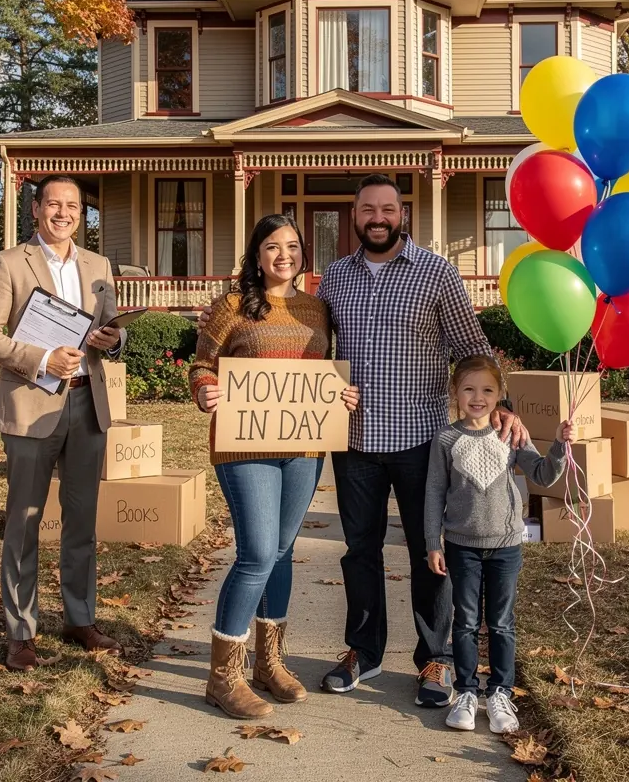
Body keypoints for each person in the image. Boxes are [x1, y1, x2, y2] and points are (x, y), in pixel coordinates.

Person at [315, 174, 529, 707]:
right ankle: (362, 651)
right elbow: (319, 353)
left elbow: (471, 346)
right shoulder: (335, 279)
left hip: (422, 442)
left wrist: (505, 406)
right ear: (355, 214)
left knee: (429, 553)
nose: (378, 217)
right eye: (368, 209)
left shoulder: (437, 273)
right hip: (355, 441)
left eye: (388, 208)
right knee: (359, 551)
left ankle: (434, 659)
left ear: (402, 214)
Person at [189, 213, 360, 720]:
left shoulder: (317, 308)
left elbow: (324, 371)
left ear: (303, 251)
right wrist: (205, 390)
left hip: (305, 448)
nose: (283, 255)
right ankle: (224, 677)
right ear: (256, 255)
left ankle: (269, 662)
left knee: (283, 552)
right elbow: (203, 364)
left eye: (292, 246)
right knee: (258, 553)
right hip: (245, 448)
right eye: (272, 247)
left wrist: (340, 395)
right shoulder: (231, 307)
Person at [0, 175, 125, 672]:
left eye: (73, 206)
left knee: (81, 520)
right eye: (54, 204)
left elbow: (114, 328)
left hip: (87, 406)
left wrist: (112, 340)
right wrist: (39, 358)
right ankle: (20, 631)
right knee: (25, 521)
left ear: (83, 213)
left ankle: (79, 618)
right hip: (33, 404)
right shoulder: (9, 263)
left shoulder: (97, 265)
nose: (63, 213)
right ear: (35, 209)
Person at [424, 355, 570, 733]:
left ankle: (501, 692)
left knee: (502, 623)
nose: (478, 397)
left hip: (505, 545)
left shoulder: (510, 434)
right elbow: (435, 491)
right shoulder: (446, 438)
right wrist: (432, 542)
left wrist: (557, 445)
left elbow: (543, 474)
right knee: (467, 621)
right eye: (469, 389)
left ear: (500, 395)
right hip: (461, 545)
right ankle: (468, 691)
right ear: (454, 391)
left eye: (487, 390)